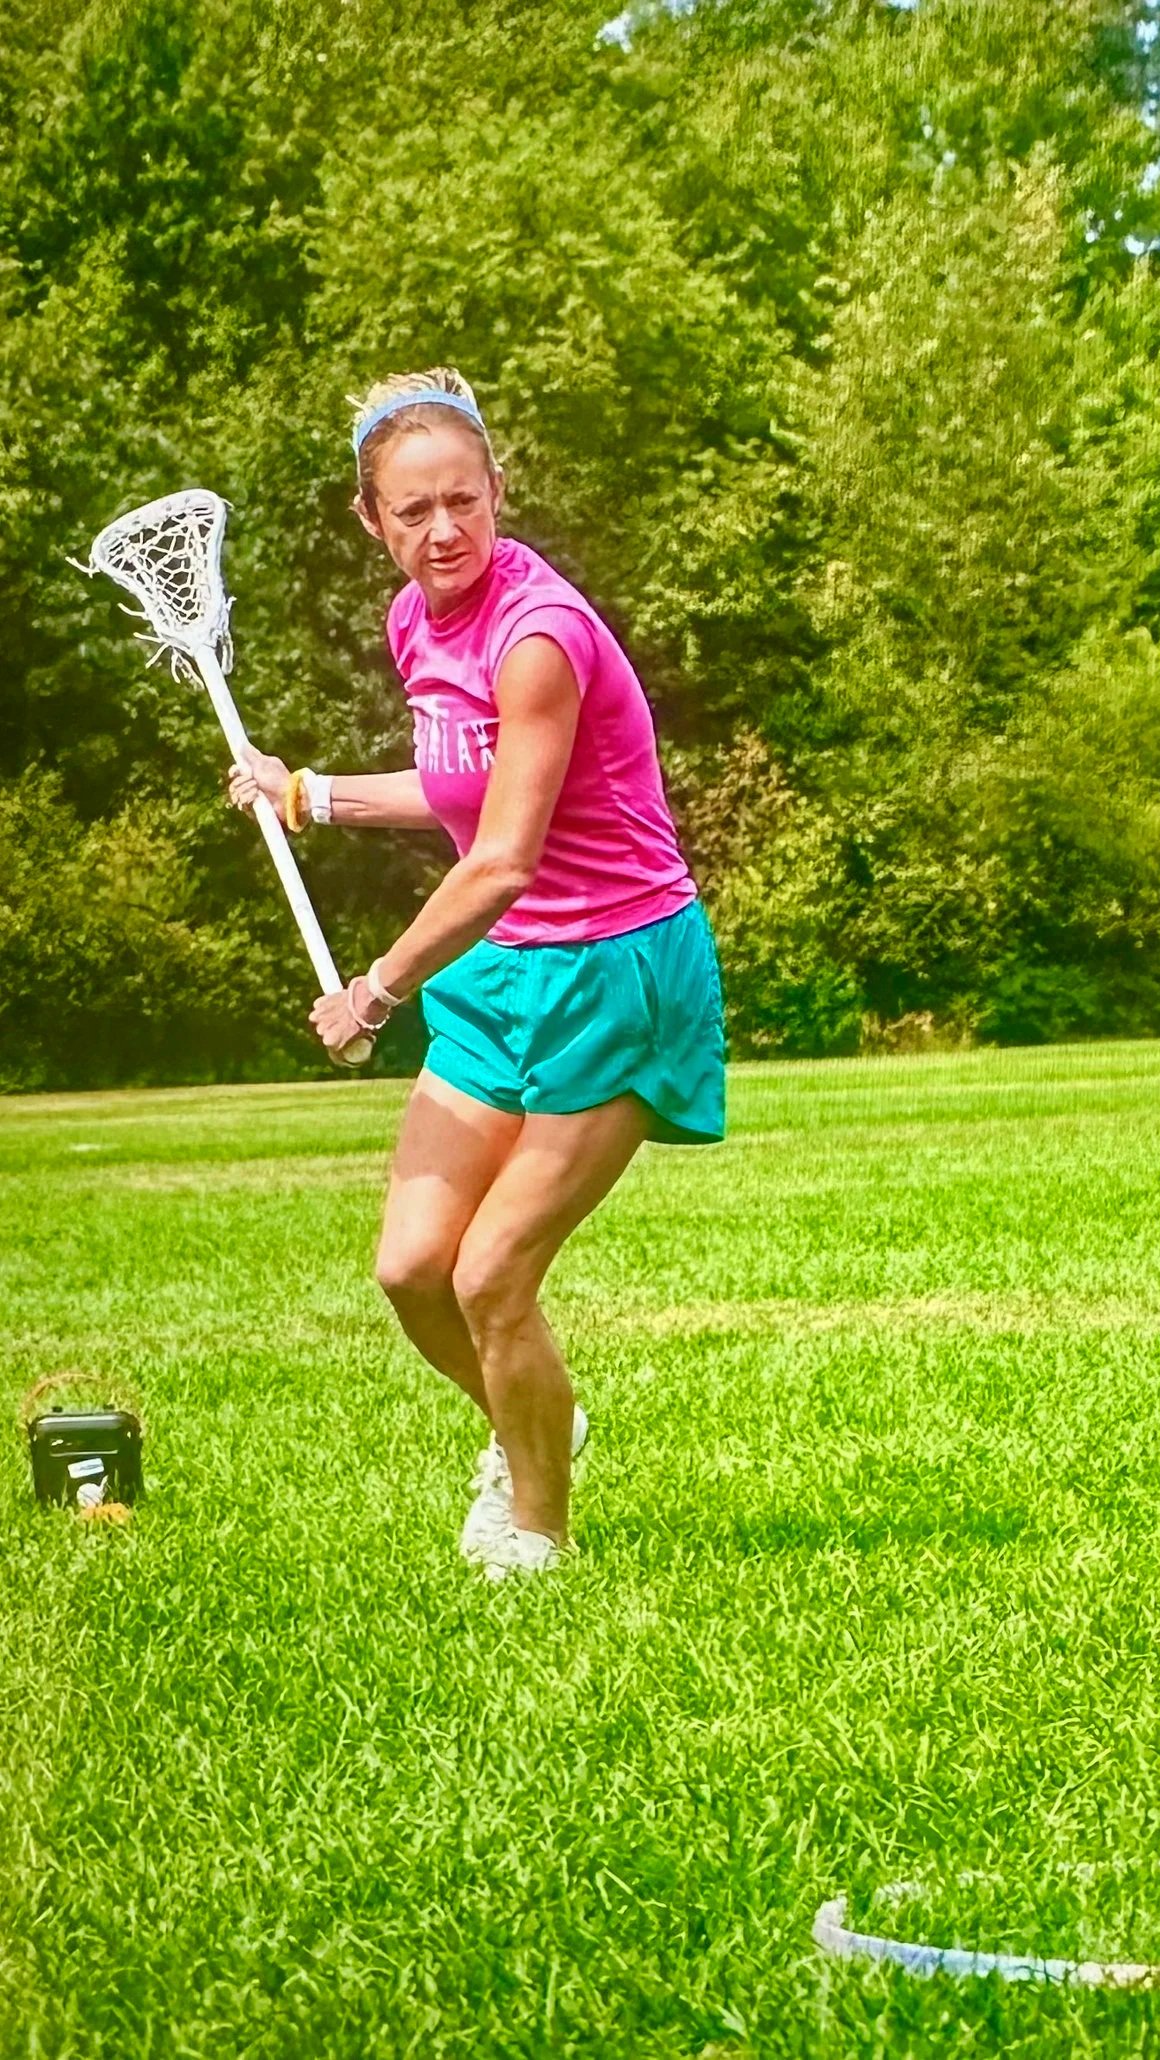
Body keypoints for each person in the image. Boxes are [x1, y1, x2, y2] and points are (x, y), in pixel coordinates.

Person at [227, 368, 725, 1578]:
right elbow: (459, 791)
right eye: (412, 511)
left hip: (616, 973)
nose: (441, 529)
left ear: (499, 490)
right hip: (503, 975)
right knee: (410, 1270)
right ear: (372, 521)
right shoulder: (418, 622)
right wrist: (309, 793)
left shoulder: (537, 636)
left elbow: (502, 856)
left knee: (493, 1272)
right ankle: (536, 1413)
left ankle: (536, 1533)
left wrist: (375, 990)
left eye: (463, 499)